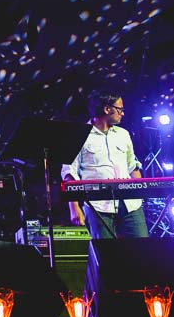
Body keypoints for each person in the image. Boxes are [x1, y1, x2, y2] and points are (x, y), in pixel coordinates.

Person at [61, 91, 148, 239]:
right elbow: (69, 174)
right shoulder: (78, 135)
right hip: (98, 206)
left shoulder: (123, 134)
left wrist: (142, 194)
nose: (123, 113)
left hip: (130, 205)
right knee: (105, 254)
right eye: (120, 109)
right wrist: (74, 207)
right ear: (107, 109)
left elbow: (132, 167)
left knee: (142, 250)